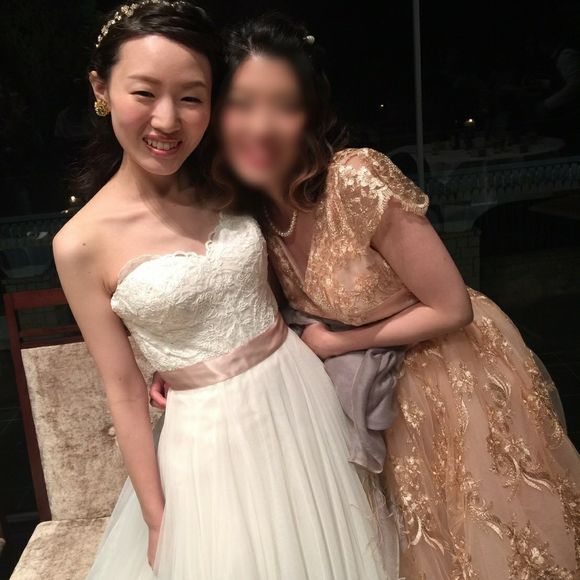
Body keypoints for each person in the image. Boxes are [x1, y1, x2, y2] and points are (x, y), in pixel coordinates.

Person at [148, 13, 580, 579]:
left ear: (310, 114)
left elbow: (452, 307)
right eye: (243, 104)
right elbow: (244, 307)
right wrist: (186, 365)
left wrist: (338, 342)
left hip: (448, 375)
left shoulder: (354, 178)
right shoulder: (250, 210)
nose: (262, 126)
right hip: (365, 396)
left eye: (284, 105)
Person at [53, 2, 399, 579]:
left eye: (191, 97)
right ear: (101, 89)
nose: (168, 119)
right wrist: (157, 519)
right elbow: (123, 390)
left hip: (302, 397)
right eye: (144, 93)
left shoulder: (229, 178)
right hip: (207, 440)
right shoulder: (79, 244)